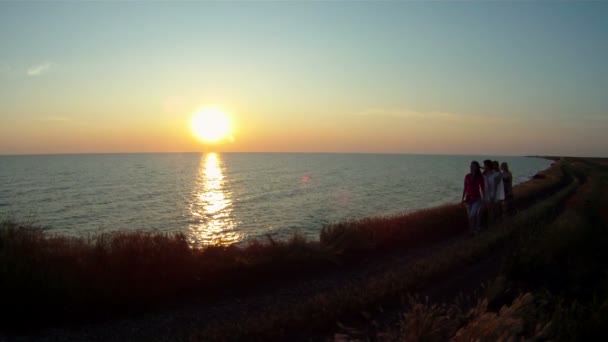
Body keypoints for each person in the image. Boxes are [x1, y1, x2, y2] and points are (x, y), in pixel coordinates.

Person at [462, 161, 485, 235]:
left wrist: (483, 199)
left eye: (473, 166)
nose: (471, 167)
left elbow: (482, 188)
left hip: (477, 199)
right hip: (468, 199)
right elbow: (465, 188)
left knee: (472, 214)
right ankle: (473, 230)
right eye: (471, 166)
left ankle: (474, 230)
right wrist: (462, 199)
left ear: (476, 167)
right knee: (470, 216)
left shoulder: (480, 177)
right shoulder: (467, 176)